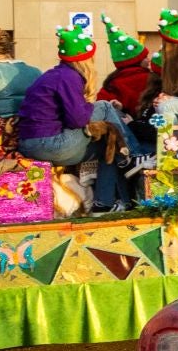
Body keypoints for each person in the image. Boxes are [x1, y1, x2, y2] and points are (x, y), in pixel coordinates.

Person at [16, 18, 142, 212]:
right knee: (104, 107)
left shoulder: (54, 75)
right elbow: (78, 119)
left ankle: (107, 203)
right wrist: (99, 111)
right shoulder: (69, 77)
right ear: (85, 59)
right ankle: (135, 155)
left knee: (106, 147)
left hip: (32, 143)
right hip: (49, 144)